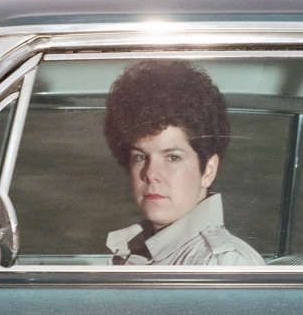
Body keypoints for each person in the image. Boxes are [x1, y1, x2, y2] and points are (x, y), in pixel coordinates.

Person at [102, 60, 264, 266]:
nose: (151, 173)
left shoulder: (221, 263)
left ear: (208, 170)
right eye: (140, 157)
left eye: (172, 157)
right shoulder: (135, 251)